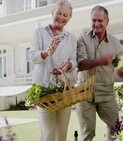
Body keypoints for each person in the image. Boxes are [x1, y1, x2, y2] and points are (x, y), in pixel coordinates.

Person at [76, 5, 123, 141]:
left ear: (107, 21)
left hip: (107, 93)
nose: (96, 24)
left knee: (116, 128)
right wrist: (100, 61)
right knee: (87, 134)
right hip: (84, 93)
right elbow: (80, 64)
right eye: (93, 20)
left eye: (100, 21)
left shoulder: (115, 43)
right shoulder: (83, 38)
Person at [30, 0, 77, 141]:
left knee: (61, 135)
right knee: (48, 134)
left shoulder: (71, 38)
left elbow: (74, 61)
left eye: (65, 15)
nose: (61, 17)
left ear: (69, 18)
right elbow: (32, 56)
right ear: (52, 13)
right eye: (58, 13)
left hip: (64, 91)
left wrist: (68, 64)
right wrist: (46, 52)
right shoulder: (39, 33)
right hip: (44, 91)